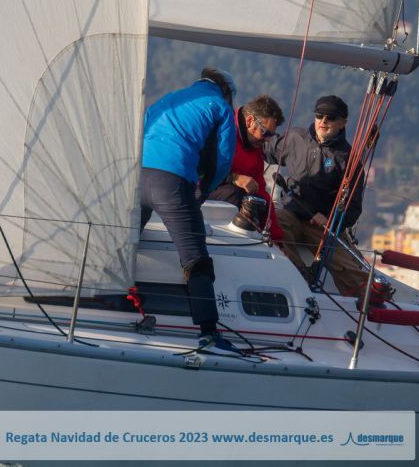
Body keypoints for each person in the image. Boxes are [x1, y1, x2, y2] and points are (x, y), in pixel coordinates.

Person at [141, 67, 242, 355]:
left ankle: (104, 301)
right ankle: (209, 334)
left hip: (137, 175)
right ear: (226, 92)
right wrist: (204, 191)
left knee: (126, 239)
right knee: (196, 258)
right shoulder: (220, 106)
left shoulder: (169, 98)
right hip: (171, 182)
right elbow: (223, 158)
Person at [264, 95, 369, 296]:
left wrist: (329, 219)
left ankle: (369, 303)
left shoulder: (348, 159)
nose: (323, 121)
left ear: (343, 122)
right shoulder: (295, 138)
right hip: (291, 213)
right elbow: (261, 146)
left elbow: (353, 207)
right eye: (319, 115)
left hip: (321, 225)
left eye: (331, 117)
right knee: (273, 222)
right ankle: (301, 275)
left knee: (348, 269)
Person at [208, 94, 284, 242]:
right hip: (200, 193)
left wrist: (277, 239)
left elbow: (261, 191)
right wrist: (234, 178)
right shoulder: (220, 131)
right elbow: (200, 170)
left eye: (271, 136)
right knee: (235, 194)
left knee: (258, 201)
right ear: (250, 121)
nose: (267, 140)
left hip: (231, 201)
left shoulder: (255, 147)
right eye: (265, 133)